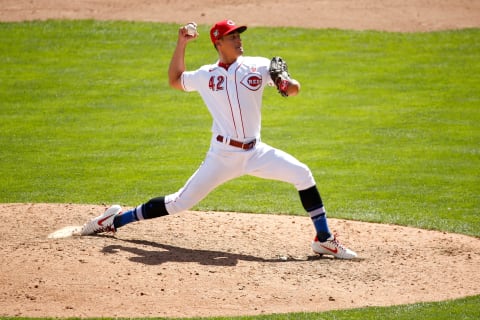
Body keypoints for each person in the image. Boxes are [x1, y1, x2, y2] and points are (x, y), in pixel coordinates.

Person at [81, 19, 357, 259]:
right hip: (222, 156)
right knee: (179, 203)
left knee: (303, 174)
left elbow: (294, 89)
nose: (239, 40)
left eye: (239, 35)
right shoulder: (206, 75)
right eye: (233, 37)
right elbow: (175, 80)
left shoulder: (258, 66)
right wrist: (182, 43)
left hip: (256, 152)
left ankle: (323, 240)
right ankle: (113, 221)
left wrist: (285, 82)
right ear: (218, 43)